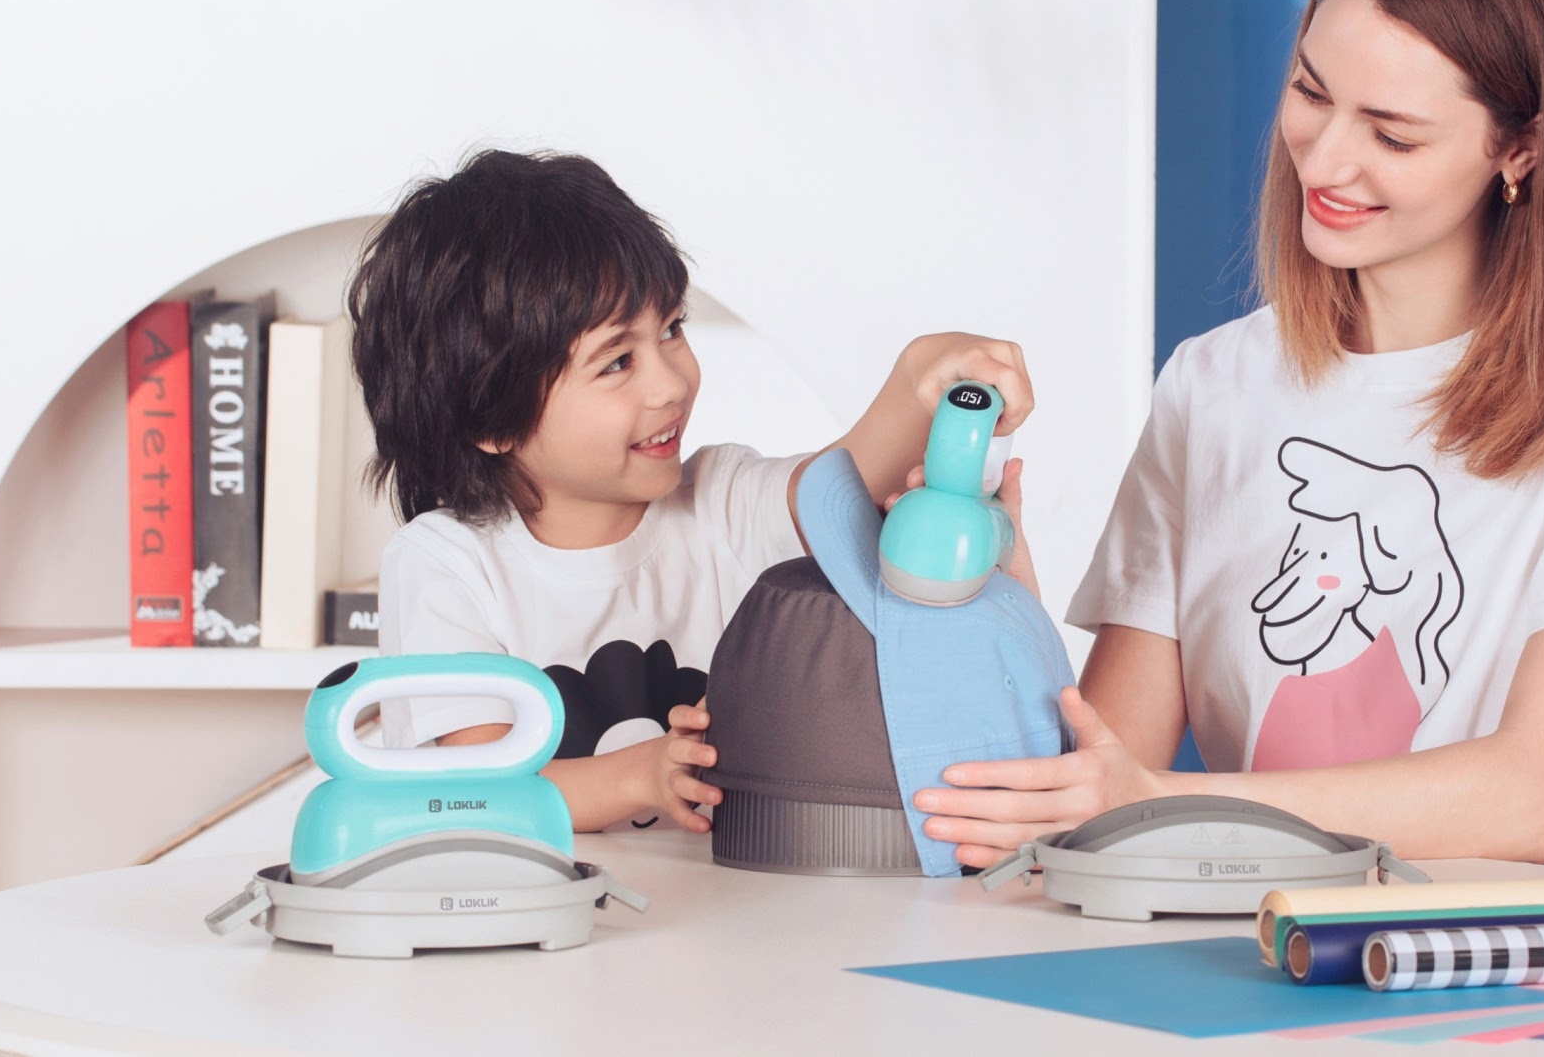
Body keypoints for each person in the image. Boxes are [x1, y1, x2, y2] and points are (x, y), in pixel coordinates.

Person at [913, 0, 1544, 874]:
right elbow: (1099, 784)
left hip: (1487, 993)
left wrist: (1169, 799)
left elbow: (1538, 797)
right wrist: (998, 609)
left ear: (1521, 147)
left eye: (1391, 133)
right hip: (1230, 962)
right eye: (1310, 92)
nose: (1326, 159)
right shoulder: (1212, 386)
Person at [348, 149, 1035, 834]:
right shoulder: (444, 564)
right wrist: (642, 775)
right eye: (618, 361)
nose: (671, 384)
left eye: (672, 329)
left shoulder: (713, 501)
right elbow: (483, 789)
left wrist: (920, 378)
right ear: (491, 418)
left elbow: (842, 486)